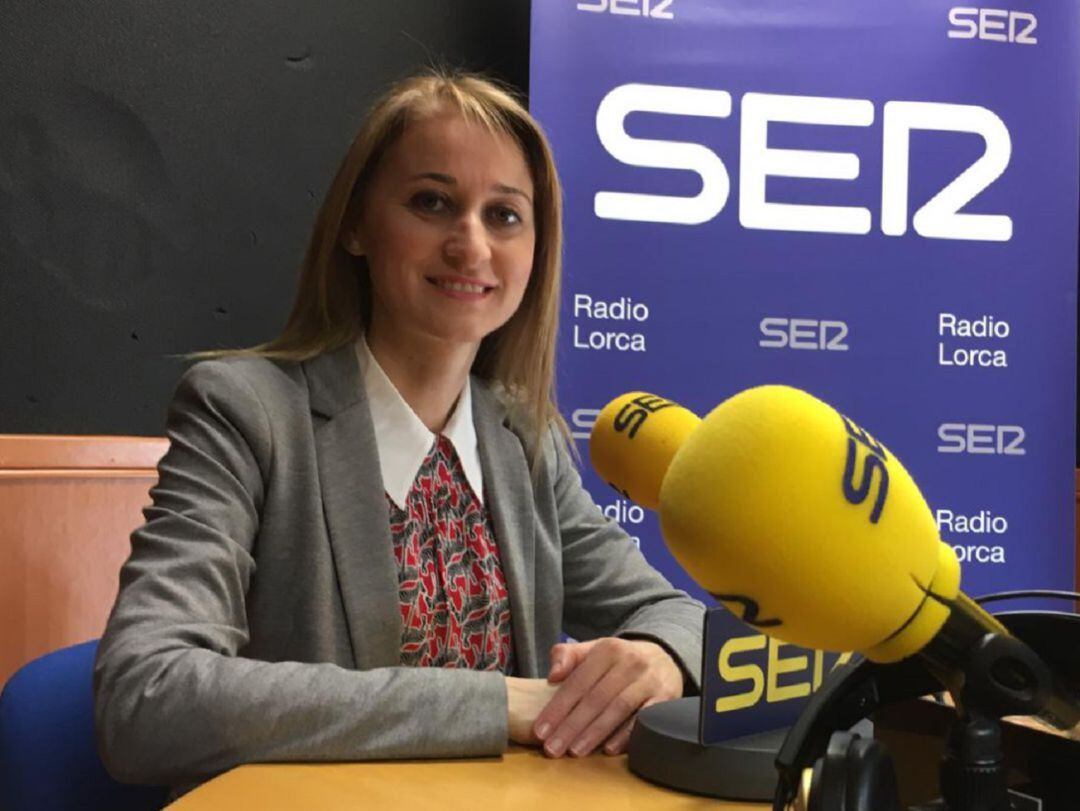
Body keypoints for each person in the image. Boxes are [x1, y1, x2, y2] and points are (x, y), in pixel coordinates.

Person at [93, 69, 704, 795]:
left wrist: (660, 655)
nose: (471, 245)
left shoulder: (521, 439)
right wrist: (496, 702)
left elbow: (674, 613)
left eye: (504, 215)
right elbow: (146, 698)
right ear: (356, 225)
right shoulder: (245, 413)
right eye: (432, 202)